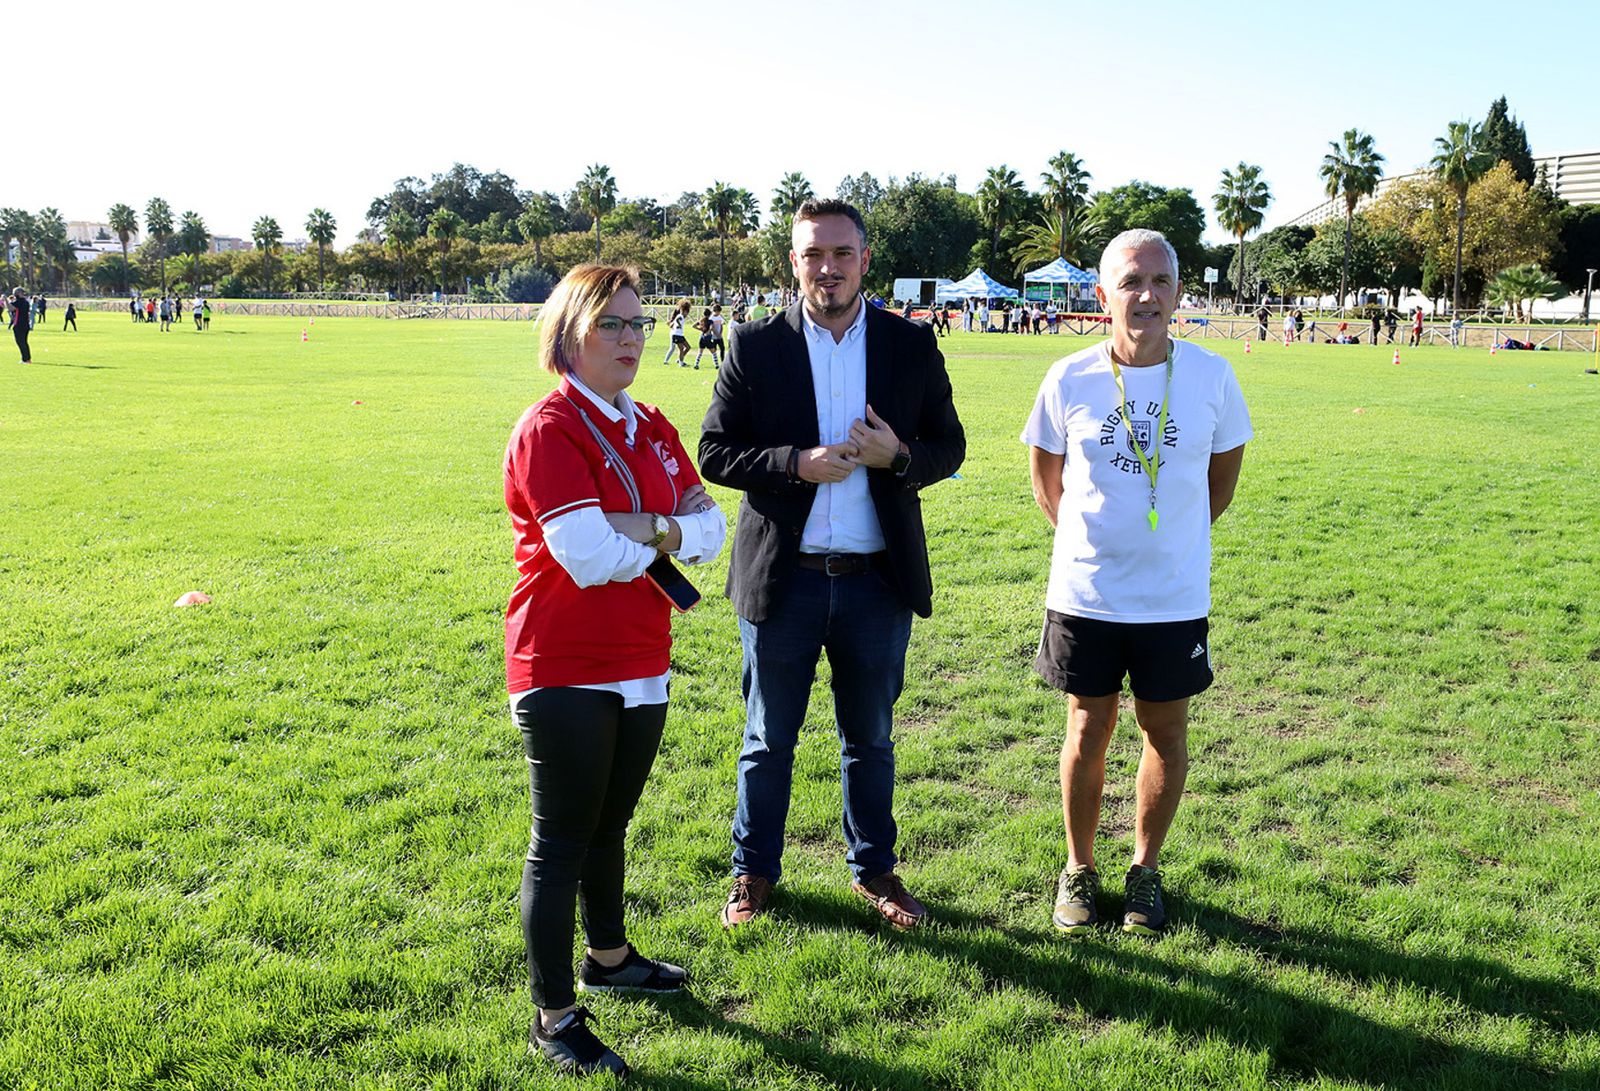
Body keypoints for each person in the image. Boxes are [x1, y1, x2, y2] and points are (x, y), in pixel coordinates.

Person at [699, 198, 966, 931]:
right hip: (783, 579)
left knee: (870, 738)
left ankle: (875, 869)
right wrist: (796, 463)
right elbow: (715, 452)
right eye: (813, 254)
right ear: (794, 262)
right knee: (766, 740)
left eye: (841, 253)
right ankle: (753, 872)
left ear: (864, 260)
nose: (828, 267)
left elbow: (952, 445)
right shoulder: (754, 345)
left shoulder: (911, 345)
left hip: (876, 581)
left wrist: (900, 456)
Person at [503, 264, 727, 1076]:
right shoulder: (550, 427)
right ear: (569, 332)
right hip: (561, 660)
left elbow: (715, 530)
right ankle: (555, 1016)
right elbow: (586, 554)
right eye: (612, 324)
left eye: (638, 323)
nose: (632, 338)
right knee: (561, 839)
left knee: (609, 825)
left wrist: (647, 525)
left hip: (642, 657)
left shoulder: (654, 422)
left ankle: (608, 956)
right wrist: (665, 530)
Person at [1023, 228, 1251, 938]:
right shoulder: (1069, 377)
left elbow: (1220, 484)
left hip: (1174, 597)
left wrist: (1166, 542)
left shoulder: (1213, 376)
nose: (1145, 294)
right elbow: (1045, 484)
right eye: (1130, 281)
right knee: (1087, 728)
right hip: (1087, 594)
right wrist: (1102, 546)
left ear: (1178, 292)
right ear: (1103, 295)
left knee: (1166, 729)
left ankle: (1145, 872)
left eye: (1158, 281)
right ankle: (1079, 868)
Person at [662, 300, 690, 365]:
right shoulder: (680, 316)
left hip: (680, 334)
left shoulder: (679, 316)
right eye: (687, 313)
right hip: (676, 334)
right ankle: (680, 363)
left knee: (688, 347)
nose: (687, 314)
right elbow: (673, 324)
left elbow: (672, 324)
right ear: (685, 311)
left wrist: (671, 324)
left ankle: (680, 359)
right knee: (679, 348)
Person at [10, 288, 31, 363]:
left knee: (20, 342)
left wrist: (5, 300)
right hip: (25, 325)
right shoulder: (26, 302)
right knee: (24, 342)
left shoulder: (18, 302)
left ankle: (25, 359)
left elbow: (11, 308)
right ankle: (27, 358)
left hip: (19, 324)